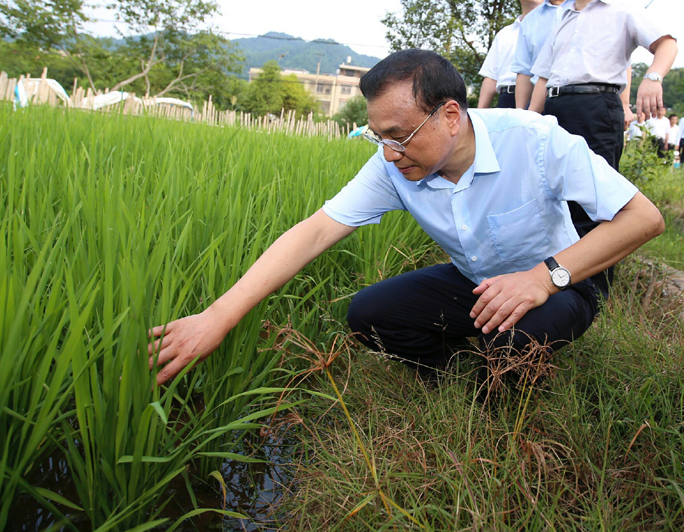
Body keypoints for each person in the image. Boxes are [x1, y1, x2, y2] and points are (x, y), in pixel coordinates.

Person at [148, 49, 664, 387]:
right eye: (379, 137)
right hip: (478, 283)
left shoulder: (535, 140)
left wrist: (542, 277)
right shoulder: (393, 165)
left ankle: (504, 377)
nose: (389, 153)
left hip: (559, 283)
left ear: (450, 115)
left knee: (511, 346)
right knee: (366, 316)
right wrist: (219, 314)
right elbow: (315, 231)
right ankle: (453, 374)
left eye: (399, 135)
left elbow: (644, 218)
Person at [527, 0, 676, 272]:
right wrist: (528, 121)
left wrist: (653, 77)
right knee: (554, 194)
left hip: (597, 108)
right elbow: (541, 77)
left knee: (596, 198)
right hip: (555, 111)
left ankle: (593, 288)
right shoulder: (560, 19)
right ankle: (557, 273)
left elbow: (666, 43)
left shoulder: (623, 11)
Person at [512, 0, 575, 110]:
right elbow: (524, 72)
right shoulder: (530, 21)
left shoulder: (588, 6)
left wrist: (623, 102)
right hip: (542, 106)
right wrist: (521, 115)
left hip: (587, 103)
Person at [478, 0, 544, 109]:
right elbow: (491, 76)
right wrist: (478, 115)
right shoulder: (504, 34)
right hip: (506, 99)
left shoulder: (554, 27)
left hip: (540, 96)